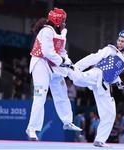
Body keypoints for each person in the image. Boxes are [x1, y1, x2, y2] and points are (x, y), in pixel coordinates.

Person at [67, 29, 124, 147]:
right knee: (78, 79)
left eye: (123, 41)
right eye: (119, 40)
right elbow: (94, 57)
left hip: (104, 85)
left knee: (110, 113)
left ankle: (100, 140)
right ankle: (68, 68)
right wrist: (77, 66)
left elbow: (114, 72)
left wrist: (119, 82)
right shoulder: (110, 50)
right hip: (97, 74)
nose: (119, 43)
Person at [26, 8, 82, 141]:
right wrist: (62, 62)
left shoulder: (60, 33)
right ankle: (32, 128)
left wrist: (68, 62)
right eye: (63, 20)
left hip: (54, 66)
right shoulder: (45, 31)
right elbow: (48, 52)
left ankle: (67, 121)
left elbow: (62, 52)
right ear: (57, 20)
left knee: (62, 92)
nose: (64, 23)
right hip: (41, 64)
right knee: (40, 95)